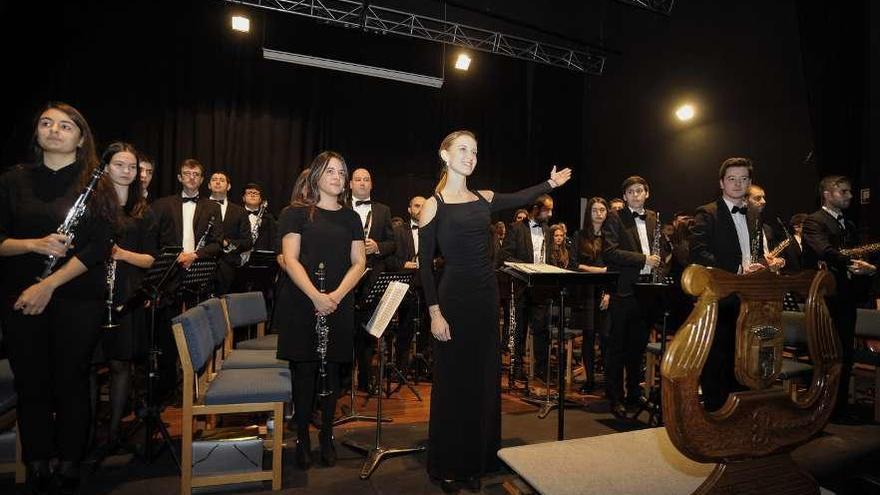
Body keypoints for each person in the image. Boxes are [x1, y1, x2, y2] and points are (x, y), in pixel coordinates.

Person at [418, 129, 571, 491]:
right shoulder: (432, 204)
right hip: (453, 299)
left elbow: (520, 196)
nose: (470, 156)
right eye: (463, 149)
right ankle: (450, 463)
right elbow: (425, 266)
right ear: (445, 155)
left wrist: (549, 182)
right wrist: (435, 312)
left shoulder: (483, 197)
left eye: (475, 150)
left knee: (484, 379)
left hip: (486, 296)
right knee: (454, 383)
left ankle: (479, 460)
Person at [0, 102, 117, 493]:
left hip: (76, 297)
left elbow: (98, 246)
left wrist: (49, 285)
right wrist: (33, 244)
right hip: (21, 296)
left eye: (65, 126)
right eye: (46, 123)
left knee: (70, 380)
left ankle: (70, 462)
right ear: (37, 133)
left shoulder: (96, 186)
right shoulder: (12, 181)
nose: (54, 130)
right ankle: (37, 463)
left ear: (80, 138)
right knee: (30, 383)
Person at [274, 152, 366, 469]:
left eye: (342, 171)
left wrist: (336, 296)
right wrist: (316, 296)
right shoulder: (294, 213)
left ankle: (326, 437)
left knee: (334, 374)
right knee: (305, 372)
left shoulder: (351, 218)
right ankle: (302, 438)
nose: (337, 176)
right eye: (330, 171)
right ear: (315, 175)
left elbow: (360, 262)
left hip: (338, 303)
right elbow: (291, 260)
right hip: (302, 301)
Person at [90, 142, 157, 453]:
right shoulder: (92, 205)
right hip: (90, 294)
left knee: (120, 365)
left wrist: (121, 254)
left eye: (132, 167)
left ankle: (115, 431)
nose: (127, 171)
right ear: (105, 167)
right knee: (89, 366)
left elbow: (150, 260)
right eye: (120, 165)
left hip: (125, 296)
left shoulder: (143, 212)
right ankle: (88, 432)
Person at [690, 157, 764, 412]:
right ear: (721, 183)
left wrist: (761, 265)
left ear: (750, 183)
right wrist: (735, 271)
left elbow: (751, 253)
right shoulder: (707, 213)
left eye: (743, 179)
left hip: (749, 298)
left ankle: (739, 413)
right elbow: (699, 253)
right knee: (718, 358)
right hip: (720, 297)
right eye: (732, 178)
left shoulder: (754, 215)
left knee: (743, 356)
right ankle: (715, 415)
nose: (737, 183)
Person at [802, 175, 876, 423]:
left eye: (849, 191)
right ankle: (824, 408)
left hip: (846, 297)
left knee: (844, 353)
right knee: (827, 353)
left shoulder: (849, 224)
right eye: (843, 191)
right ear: (827, 194)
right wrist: (856, 259)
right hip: (826, 299)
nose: (850, 196)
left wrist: (866, 267)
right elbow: (826, 251)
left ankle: (839, 408)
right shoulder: (814, 222)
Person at [150, 158, 223, 394]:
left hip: (198, 275)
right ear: (180, 177)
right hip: (169, 275)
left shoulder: (212, 207)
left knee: (198, 330)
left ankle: (196, 387)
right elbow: (155, 241)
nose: (191, 177)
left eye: (196, 174)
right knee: (168, 332)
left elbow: (217, 244)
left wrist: (195, 255)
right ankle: (169, 387)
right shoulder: (162, 205)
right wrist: (172, 257)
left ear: (202, 180)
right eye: (187, 173)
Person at [601, 176, 663, 417]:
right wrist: (643, 260)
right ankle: (615, 397)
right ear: (625, 196)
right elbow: (610, 252)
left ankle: (634, 395)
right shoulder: (615, 218)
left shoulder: (654, 218)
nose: (636, 195)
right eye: (631, 192)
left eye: (640, 191)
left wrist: (659, 264)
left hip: (647, 290)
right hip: (624, 290)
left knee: (637, 347)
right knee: (617, 347)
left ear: (646, 193)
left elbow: (659, 250)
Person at [348, 167, 395, 393]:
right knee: (345, 332)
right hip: (345, 278)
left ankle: (366, 381)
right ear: (350, 184)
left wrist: (378, 247)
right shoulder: (340, 208)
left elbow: (392, 243)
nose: (362, 183)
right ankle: (344, 382)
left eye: (367, 179)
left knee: (367, 334)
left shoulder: (383, 210)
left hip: (372, 279)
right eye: (358, 179)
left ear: (371, 184)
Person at [502, 193, 555, 382]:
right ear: (535, 209)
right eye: (547, 210)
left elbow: (548, 257)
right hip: (521, 286)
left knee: (541, 330)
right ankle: (516, 369)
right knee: (519, 330)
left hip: (541, 288)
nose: (550, 214)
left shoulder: (548, 230)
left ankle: (541, 370)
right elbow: (506, 256)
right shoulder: (516, 228)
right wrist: (528, 269)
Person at [572, 197, 611, 394]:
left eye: (602, 209)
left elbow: (615, 267)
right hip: (586, 291)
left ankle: (607, 380)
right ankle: (589, 380)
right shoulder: (579, 236)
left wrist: (609, 292)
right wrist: (600, 271)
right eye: (595, 210)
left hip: (606, 292)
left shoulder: (612, 237)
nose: (598, 213)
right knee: (588, 336)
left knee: (606, 337)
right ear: (589, 213)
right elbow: (574, 265)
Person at [208, 171, 253, 294]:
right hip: (201, 264)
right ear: (208, 185)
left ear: (228, 186)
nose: (217, 182)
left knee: (225, 309)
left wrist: (227, 243)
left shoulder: (240, 212)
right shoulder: (197, 207)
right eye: (214, 179)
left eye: (222, 180)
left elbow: (248, 242)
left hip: (228, 267)